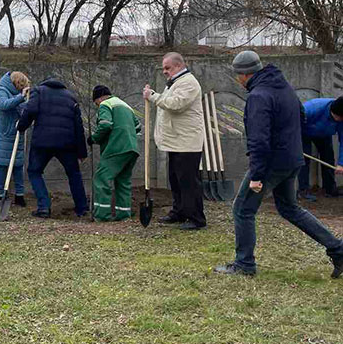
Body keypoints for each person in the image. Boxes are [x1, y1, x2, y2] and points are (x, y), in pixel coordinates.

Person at [215, 51, 343, 278]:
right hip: (292, 159)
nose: (238, 80)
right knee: (290, 208)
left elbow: (258, 139)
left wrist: (256, 175)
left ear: (244, 75)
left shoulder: (258, 96)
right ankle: (338, 249)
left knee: (242, 209)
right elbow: (301, 118)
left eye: (238, 76)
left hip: (272, 163)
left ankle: (244, 264)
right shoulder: (285, 89)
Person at [143, 52, 206, 230]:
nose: (164, 71)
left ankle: (197, 218)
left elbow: (176, 104)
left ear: (179, 66)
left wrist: (152, 96)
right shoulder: (175, 83)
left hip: (187, 143)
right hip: (176, 141)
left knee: (188, 182)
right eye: (164, 68)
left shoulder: (189, 83)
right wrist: (154, 94)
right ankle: (179, 212)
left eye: (167, 68)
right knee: (176, 180)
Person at [16, 76, 88, 219]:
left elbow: (30, 111)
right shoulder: (71, 97)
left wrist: (21, 126)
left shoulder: (39, 91)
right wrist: (82, 151)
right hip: (66, 143)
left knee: (34, 171)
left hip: (43, 141)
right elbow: (78, 126)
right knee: (74, 174)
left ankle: (44, 207)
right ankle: (82, 207)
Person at [87, 85, 141, 222]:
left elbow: (105, 124)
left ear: (98, 98)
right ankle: (123, 215)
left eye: (96, 103)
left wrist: (94, 138)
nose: (97, 105)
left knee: (101, 178)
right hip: (132, 148)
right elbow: (138, 127)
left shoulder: (105, 104)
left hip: (116, 147)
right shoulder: (126, 106)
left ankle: (102, 216)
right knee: (123, 181)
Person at [0, 70, 30, 206]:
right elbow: (3, 105)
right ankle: (1, 194)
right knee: (2, 166)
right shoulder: (2, 90)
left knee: (18, 165)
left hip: (15, 133)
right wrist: (21, 98)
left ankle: (19, 195)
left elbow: (22, 109)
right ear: (17, 83)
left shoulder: (18, 94)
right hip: (2, 135)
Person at [298, 96, 343, 200]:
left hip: (324, 134)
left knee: (329, 158)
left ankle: (329, 188)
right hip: (304, 132)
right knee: (304, 160)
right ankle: (303, 190)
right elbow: (294, 124)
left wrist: (341, 163)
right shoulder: (312, 108)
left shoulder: (341, 120)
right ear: (335, 114)